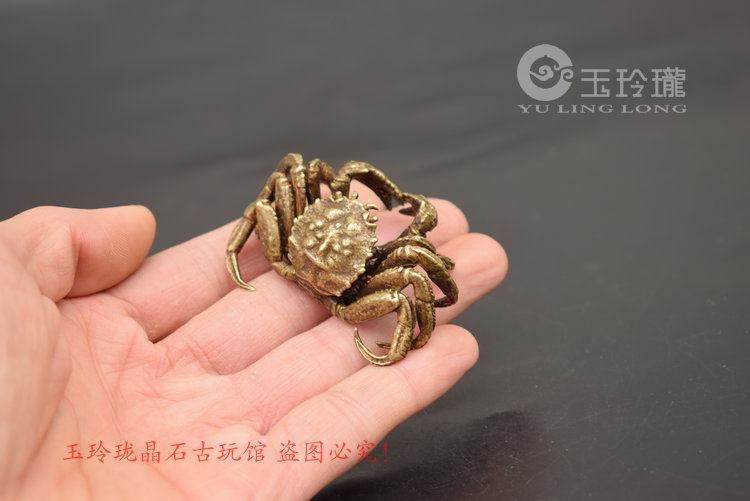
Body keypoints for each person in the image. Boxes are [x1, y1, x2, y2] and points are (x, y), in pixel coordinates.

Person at [0, 193, 507, 499]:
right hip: (343, 296)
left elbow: (268, 202)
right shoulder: (378, 263)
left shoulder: (289, 232)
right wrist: (427, 307)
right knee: (408, 284)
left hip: (287, 263)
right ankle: (403, 346)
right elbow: (423, 274)